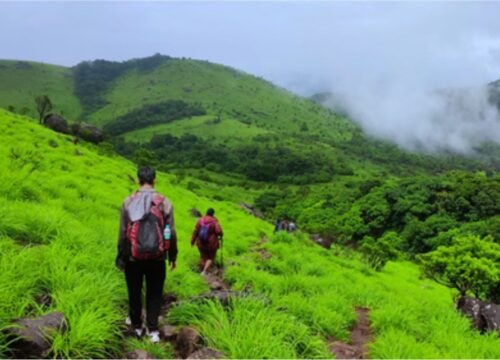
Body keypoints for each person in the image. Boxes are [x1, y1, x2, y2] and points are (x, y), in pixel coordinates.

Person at [116, 166, 177, 343]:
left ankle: (136, 327)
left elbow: (122, 232)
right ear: (155, 180)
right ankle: (152, 330)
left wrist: (121, 255)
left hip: (133, 257)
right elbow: (170, 232)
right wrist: (172, 256)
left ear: (138, 180)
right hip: (157, 257)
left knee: (134, 291)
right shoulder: (165, 202)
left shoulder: (128, 201)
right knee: (155, 292)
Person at [191, 208, 223, 275]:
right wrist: (220, 235)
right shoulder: (214, 221)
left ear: (206, 212)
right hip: (211, 244)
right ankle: (204, 271)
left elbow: (195, 231)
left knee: (203, 256)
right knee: (211, 257)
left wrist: (192, 241)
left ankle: (202, 270)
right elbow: (219, 231)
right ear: (213, 214)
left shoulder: (200, 220)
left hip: (201, 242)